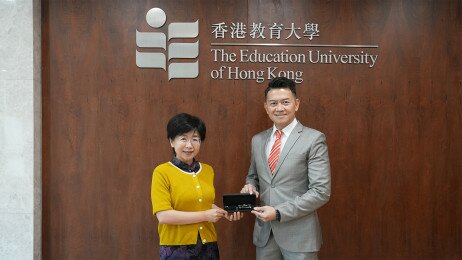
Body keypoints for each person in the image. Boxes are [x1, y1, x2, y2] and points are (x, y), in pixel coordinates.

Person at [241, 77, 331, 260]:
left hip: (299, 236)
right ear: (266, 107)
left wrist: (279, 212)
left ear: (296, 104)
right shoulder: (258, 140)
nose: (279, 108)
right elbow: (253, 177)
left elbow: (321, 191)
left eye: (285, 102)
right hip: (265, 235)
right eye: (273, 103)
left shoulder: (313, 139)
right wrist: (249, 186)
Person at [151, 113, 242, 260]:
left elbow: (202, 204)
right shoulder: (162, 171)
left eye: (195, 139)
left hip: (208, 246)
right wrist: (205, 216)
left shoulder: (207, 170)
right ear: (171, 142)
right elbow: (164, 216)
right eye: (183, 139)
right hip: (176, 249)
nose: (189, 145)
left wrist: (224, 212)